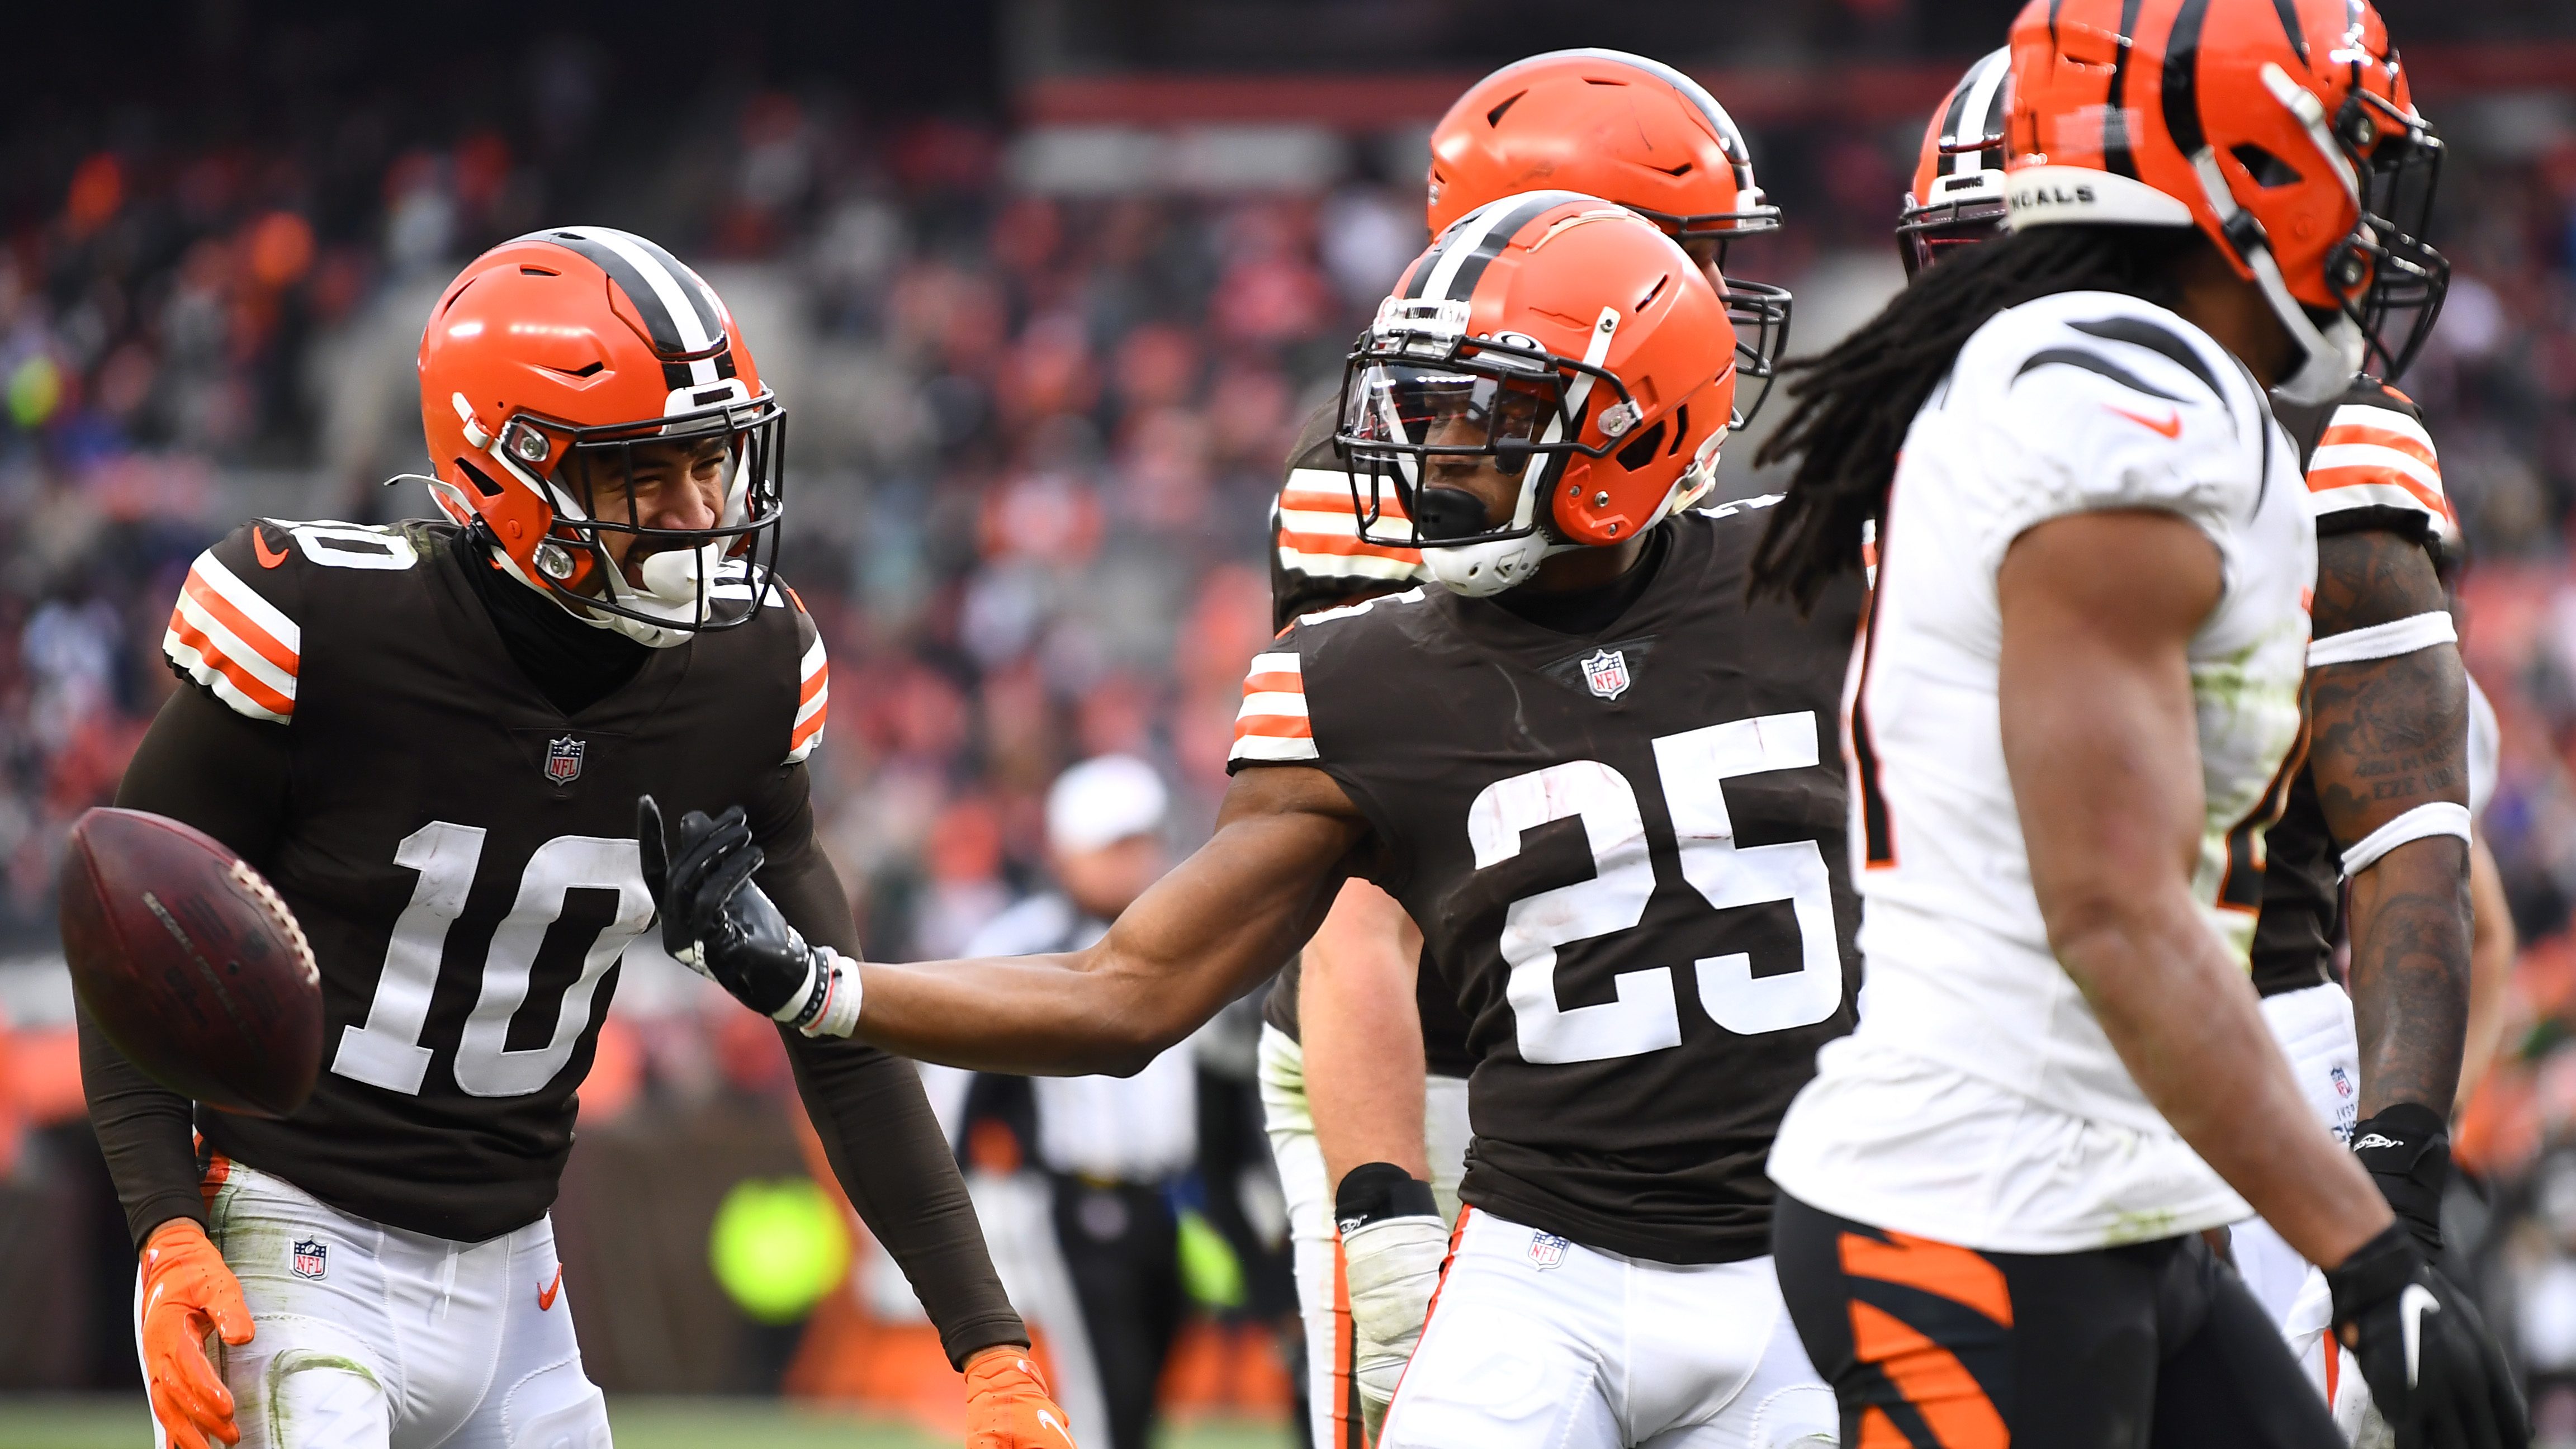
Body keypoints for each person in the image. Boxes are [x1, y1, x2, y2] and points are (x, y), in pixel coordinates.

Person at [657, 193, 1857, 1449]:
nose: (1430, 451)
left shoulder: (1823, 577)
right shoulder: (1365, 677)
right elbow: (1126, 991)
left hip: (1807, 1250)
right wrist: (823, 988)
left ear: (1632, 427)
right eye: (1424, 406)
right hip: (1540, 1269)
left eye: (1481, 416)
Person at [88, 226, 1072, 1449]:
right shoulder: (326, 626)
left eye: (713, 462)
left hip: (517, 1277)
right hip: (296, 1236)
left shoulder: (747, 678)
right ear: (507, 472)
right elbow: (131, 931)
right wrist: (166, 1226)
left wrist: (991, 1351)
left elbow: (841, 1034)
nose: (700, 510)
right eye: (643, 475)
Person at [1750, 1, 2524, 1445]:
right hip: (1969, 1220)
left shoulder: (2140, 386)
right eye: (2348, 149)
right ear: (2243, 166)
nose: (2370, 197)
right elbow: (2109, 908)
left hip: (2107, 1204)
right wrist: (2363, 1256)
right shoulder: (2119, 409)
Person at [1263, 54, 1811, 1447]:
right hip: (1438, 1063)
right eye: (1673, 253)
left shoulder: (1687, 493)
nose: (1698, 299)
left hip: (1657, 1090)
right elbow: (1359, 903)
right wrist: (1384, 1196)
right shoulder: (1393, 496)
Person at [922, 756, 1197, 1449]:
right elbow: (954, 1087)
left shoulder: (1191, 940)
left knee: (1145, 1400)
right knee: (1106, 1395)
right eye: (1115, 846)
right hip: (1075, 1202)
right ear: (1069, 851)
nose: (1135, 862)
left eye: (1142, 843)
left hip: (1169, 1204)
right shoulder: (1022, 946)